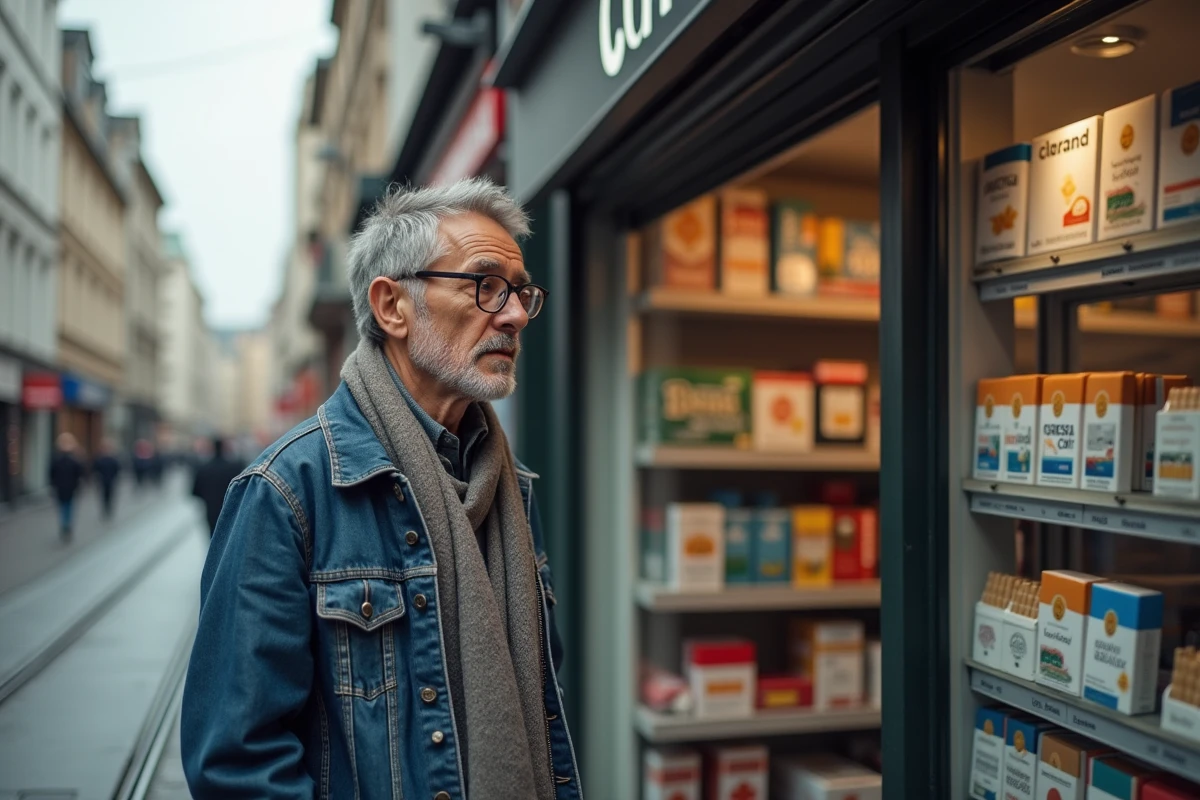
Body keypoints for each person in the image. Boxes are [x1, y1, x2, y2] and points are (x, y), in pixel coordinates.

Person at [181, 179, 579, 800]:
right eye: (485, 286)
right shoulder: (287, 492)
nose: (515, 314)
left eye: (522, 291)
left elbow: (544, 695)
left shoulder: (511, 487)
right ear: (393, 306)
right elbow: (237, 765)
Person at [190, 437, 242, 537]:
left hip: (211, 511)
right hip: (230, 510)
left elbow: (194, 492)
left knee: (213, 536)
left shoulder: (203, 469)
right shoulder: (234, 468)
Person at [48, 432, 86, 540]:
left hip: (64, 488)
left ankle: (65, 524)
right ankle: (66, 524)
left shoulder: (58, 458)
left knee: (64, 507)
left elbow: (51, 474)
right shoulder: (73, 459)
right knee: (67, 507)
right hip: (69, 488)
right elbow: (80, 474)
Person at [92, 439, 122, 521]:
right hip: (102, 481)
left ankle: (109, 508)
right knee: (103, 496)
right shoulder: (99, 459)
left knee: (110, 495)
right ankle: (105, 509)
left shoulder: (113, 460)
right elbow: (95, 469)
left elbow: (117, 469)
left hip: (111, 480)